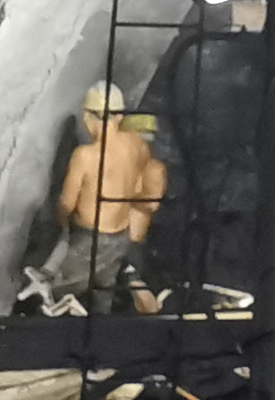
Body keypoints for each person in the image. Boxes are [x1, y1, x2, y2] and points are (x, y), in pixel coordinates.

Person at [21, 83, 168, 316]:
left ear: (89, 117)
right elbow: (141, 187)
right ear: (119, 116)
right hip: (120, 238)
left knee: (44, 289)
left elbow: (67, 202)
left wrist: (62, 227)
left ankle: (64, 307)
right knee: (102, 294)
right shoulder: (137, 146)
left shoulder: (85, 155)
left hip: (88, 240)